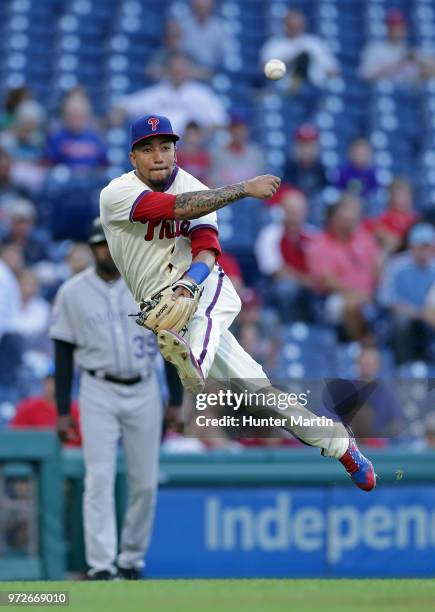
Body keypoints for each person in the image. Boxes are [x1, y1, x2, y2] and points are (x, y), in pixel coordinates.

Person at [99, 113, 376, 492]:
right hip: (165, 313)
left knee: (217, 294)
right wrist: (244, 188)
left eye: (165, 147)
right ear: (134, 158)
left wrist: (189, 285)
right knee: (263, 395)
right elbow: (177, 208)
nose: (158, 155)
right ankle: (340, 444)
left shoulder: (196, 186)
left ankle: (194, 361)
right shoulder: (117, 194)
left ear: (176, 151)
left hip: (200, 287)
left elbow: (207, 251)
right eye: (147, 149)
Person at [49, 219, 182, 580]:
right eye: (99, 245)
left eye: (110, 244)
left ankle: (131, 560)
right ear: (91, 248)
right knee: (99, 478)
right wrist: (63, 410)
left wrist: (176, 399)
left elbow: (171, 346)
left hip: (144, 386)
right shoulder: (72, 292)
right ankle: (102, 564)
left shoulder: (149, 285)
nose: (105, 251)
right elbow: (62, 354)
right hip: (97, 389)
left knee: (145, 482)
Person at [307, 194, 382, 339]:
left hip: (370, 295)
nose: (348, 223)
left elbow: (376, 270)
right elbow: (327, 280)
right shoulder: (320, 244)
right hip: (334, 297)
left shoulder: (364, 239)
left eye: (351, 219)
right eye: (343, 219)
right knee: (351, 304)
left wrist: (371, 293)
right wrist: (357, 294)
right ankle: (362, 344)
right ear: (332, 220)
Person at [115, 53, 227, 135]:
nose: (177, 74)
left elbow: (219, 121)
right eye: (174, 70)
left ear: (187, 70)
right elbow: (123, 105)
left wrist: (198, 137)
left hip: (189, 151)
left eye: (181, 70)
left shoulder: (201, 93)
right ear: (168, 71)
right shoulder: (158, 92)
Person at [255, 187, 315, 322]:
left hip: (312, 284)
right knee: (286, 288)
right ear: (281, 209)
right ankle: (289, 327)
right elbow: (275, 270)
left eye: (299, 208)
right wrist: (305, 281)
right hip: (281, 285)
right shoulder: (270, 234)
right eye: (290, 207)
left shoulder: (313, 234)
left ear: (306, 210)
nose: (294, 211)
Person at [380, 222, 435, 364]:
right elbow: (388, 301)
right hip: (405, 316)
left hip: (429, 318)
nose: (424, 251)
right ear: (411, 246)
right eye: (420, 246)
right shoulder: (397, 266)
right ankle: (403, 367)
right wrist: (421, 314)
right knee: (401, 322)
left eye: (427, 246)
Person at [260, 9, 339, 89]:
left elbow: (333, 69)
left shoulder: (314, 43)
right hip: (285, 88)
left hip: (314, 88)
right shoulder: (274, 44)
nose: (294, 27)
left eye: (297, 24)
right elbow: (264, 68)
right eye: (290, 25)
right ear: (284, 25)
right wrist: (292, 61)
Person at [359, 9, 435, 84]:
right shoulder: (375, 49)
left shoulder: (412, 52)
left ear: (406, 29)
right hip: (384, 91)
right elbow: (366, 77)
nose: (396, 30)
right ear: (387, 28)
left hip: (409, 94)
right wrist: (399, 63)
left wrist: (419, 61)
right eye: (393, 25)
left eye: (400, 26)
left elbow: (432, 73)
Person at [208, 114, 265, 187]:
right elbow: (212, 184)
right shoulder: (216, 153)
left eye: (242, 129)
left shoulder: (256, 154)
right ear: (229, 130)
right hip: (226, 196)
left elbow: (261, 185)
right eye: (236, 129)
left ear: (248, 131)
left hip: (251, 197)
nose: (239, 133)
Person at [177, 0, 235, 72]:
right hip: (185, 67)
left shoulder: (220, 28)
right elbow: (177, 49)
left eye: (205, 7)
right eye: (198, 7)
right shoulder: (183, 25)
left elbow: (227, 54)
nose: (201, 11)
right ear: (193, 7)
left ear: (211, 8)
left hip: (208, 71)